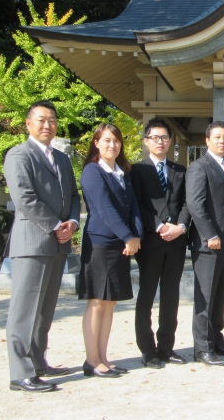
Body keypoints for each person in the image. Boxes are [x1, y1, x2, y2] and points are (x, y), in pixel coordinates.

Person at [4, 100, 81, 392]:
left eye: (52, 120)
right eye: (41, 120)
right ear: (28, 124)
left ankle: (38, 362)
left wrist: (72, 223)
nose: (47, 125)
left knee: (45, 309)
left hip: (58, 242)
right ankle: (20, 373)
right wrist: (56, 225)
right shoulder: (19, 155)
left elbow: (73, 196)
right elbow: (24, 198)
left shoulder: (61, 158)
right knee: (24, 308)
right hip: (32, 242)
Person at [79, 123, 143, 378]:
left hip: (121, 244)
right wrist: (128, 236)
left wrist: (136, 236)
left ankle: (103, 357)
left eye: (116, 141)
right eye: (106, 140)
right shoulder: (92, 171)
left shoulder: (122, 172)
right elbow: (105, 208)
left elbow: (133, 206)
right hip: (100, 243)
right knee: (97, 302)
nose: (112, 145)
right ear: (96, 143)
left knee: (110, 302)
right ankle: (92, 361)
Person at [131, 117, 191, 368]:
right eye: (155, 137)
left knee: (171, 295)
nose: (160, 142)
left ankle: (166, 347)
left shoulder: (180, 170)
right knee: (146, 295)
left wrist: (180, 227)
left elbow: (187, 203)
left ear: (170, 141)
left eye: (165, 137)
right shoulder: (137, 170)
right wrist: (159, 225)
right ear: (146, 141)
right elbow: (136, 204)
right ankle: (147, 350)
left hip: (176, 242)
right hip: (150, 242)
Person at [186, 121, 224, 366]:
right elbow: (195, 204)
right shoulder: (199, 167)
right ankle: (202, 348)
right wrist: (209, 235)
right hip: (208, 244)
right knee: (206, 297)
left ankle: (216, 340)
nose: (222, 141)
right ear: (207, 140)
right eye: (217, 137)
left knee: (221, 295)